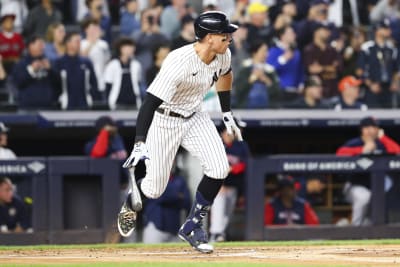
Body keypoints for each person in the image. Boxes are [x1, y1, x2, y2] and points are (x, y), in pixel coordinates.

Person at [118, 11, 243, 253]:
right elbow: (149, 104)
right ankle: (131, 201)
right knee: (154, 189)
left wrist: (226, 112)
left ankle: (193, 226)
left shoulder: (223, 54)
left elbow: (226, 76)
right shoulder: (179, 61)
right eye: (224, 33)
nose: (230, 37)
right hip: (164, 120)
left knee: (219, 168)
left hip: (195, 115)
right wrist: (140, 142)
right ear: (208, 38)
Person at [336, 116, 400, 226]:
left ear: (377, 130)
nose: (370, 130)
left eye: (373, 127)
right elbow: (340, 154)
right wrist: (363, 150)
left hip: (377, 186)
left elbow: (397, 151)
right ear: (362, 130)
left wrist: (383, 138)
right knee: (364, 197)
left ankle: (372, 232)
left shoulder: (382, 143)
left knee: (373, 211)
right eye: (367, 127)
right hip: (355, 185)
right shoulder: (355, 143)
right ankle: (355, 230)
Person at [209, 118, 249, 242]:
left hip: (234, 185)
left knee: (228, 213)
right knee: (218, 205)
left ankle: (220, 234)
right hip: (218, 184)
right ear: (222, 133)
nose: (229, 135)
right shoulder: (216, 144)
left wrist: (232, 168)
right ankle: (216, 233)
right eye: (227, 132)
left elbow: (245, 163)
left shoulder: (241, 145)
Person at [143, 163, 191, 243]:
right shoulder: (152, 179)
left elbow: (187, 202)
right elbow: (158, 197)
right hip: (155, 227)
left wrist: (167, 194)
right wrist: (177, 195)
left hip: (174, 228)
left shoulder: (180, 180)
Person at [357, 19, 400, 108]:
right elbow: (360, 70)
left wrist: (395, 82)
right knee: (373, 115)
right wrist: (370, 84)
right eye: (385, 28)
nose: (389, 30)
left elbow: (396, 69)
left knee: (389, 117)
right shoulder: (367, 47)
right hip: (371, 88)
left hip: (388, 88)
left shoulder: (391, 48)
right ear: (377, 30)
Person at [12, 35, 58, 109]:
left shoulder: (49, 62)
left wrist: (50, 70)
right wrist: (31, 70)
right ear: (31, 45)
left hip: (48, 107)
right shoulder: (21, 63)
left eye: (43, 45)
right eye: (40, 44)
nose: (43, 47)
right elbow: (18, 83)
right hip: (27, 107)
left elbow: (58, 83)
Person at [233, 40, 280, 109]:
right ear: (255, 52)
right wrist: (251, 79)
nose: (266, 54)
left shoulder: (270, 70)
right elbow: (238, 90)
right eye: (263, 51)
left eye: (267, 51)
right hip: (245, 109)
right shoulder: (245, 69)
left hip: (267, 111)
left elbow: (277, 93)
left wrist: (266, 80)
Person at [303, 24, 343, 98]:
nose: (327, 33)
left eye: (328, 30)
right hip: (316, 92)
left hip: (333, 90)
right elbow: (312, 69)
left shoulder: (332, 50)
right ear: (316, 32)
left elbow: (338, 68)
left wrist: (321, 68)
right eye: (324, 30)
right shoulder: (309, 50)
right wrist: (329, 68)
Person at [266, 25, 304, 104]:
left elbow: (300, 70)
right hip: (280, 91)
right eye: (290, 33)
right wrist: (283, 59)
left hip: (295, 91)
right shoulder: (273, 51)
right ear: (282, 36)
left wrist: (301, 83)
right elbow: (269, 70)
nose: (294, 35)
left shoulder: (296, 52)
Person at [104, 38, 143, 110]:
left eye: (131, 47)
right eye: (127, 47)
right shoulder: (112, 65)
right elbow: (108, 85)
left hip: (134, 102)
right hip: (117, 102)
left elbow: (138, 83)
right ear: (120, 49)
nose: (130, 49)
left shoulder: (136, 65)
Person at [80, 18, 111, 92]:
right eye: (93, 28)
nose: (96, 30)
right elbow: (82, 57)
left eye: (97, 28)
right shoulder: (81, 43)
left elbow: (108, 61)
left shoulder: (103, 44)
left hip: (102, 79)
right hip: (87, 80)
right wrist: (93, 41)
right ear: (86, 30)